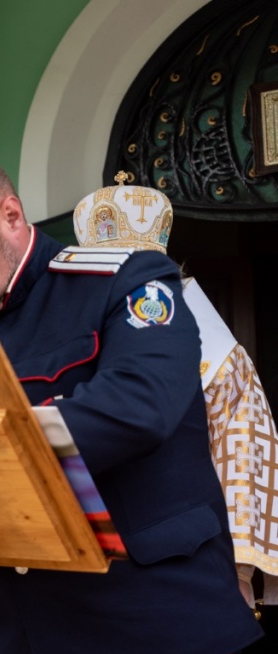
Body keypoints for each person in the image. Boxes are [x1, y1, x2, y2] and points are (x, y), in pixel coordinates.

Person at [0, 150, 262, 654]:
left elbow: (140, 405)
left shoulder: (127, 281)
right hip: (27, 641)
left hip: (156, 630)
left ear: (9, 215)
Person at [72, 176, 278, 609]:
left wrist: (238, 569)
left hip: (189, 557)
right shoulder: (68, 334)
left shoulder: (222, 358)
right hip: (86, 560)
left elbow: (243, 453)